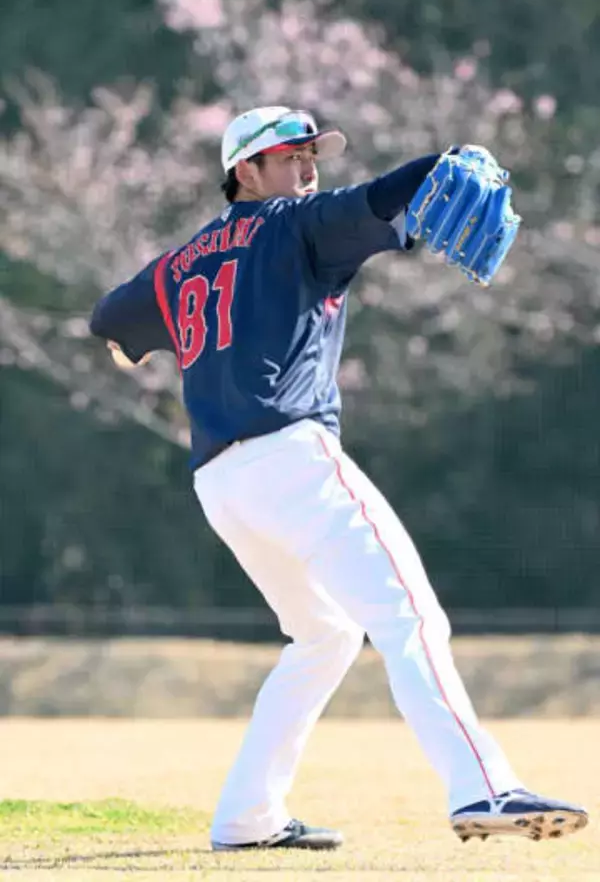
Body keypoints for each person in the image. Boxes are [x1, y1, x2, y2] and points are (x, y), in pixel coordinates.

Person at [90, 106, 588, 851]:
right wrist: (452, 159)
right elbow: (391, 191)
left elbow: (109, 320)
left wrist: (154, 344)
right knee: (412, 619)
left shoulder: (182, 262)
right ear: (244, 173)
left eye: (311, 154)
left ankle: (248, 818)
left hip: (223, 485)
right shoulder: (298, 224)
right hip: (292, 461)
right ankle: (484, 789)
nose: (308, 167)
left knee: (323, 636)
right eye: (288, 156)